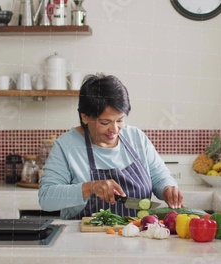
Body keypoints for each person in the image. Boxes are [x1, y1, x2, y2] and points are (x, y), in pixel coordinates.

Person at [39, 73, 183, 219]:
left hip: (137, 235)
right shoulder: (66, 145)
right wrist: (90, 187)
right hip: (84, 239)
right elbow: (46, 198)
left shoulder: (136, 137)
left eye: (120, 120)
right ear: (85, 117)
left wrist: (167, 189)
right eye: (105, 123)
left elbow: (159, 177)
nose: (114, 129)